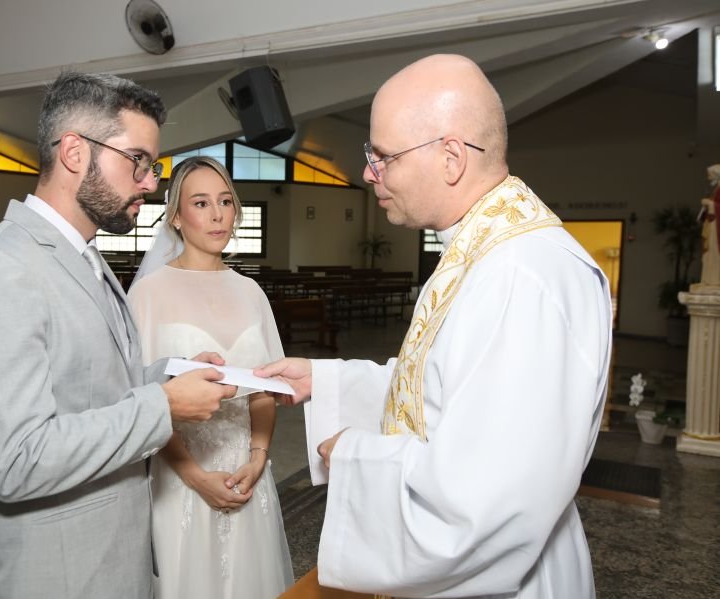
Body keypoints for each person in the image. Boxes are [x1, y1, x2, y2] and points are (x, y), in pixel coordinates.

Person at [256, 54, 612, 599]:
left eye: (383, 156)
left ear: (450, 157)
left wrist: (352, 452)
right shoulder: (480, 252)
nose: (368, 173)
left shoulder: (522, 273)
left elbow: (488, 496)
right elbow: (446, 393)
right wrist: (324, 381)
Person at [0, 71, 235, 599]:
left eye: (153, 165)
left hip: (111, 559)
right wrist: (164, 406)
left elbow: (87, 388)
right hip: (53, 574)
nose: (151, 182)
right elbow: (16, 458)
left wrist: (172, 375)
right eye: (138, 161)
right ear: (74, 152)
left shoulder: (84, 257)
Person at [128, 157, 293, 599]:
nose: (218, 214)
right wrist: (197, 477)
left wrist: (258, 456)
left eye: (225, 201)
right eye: (201, 203)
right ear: (177, 217)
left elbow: (265, 389)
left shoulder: (251, 291)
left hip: (246, 473)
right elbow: (143, 399)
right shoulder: (150, 293)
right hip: (180, 474)